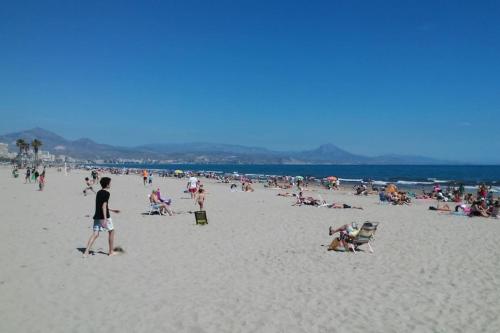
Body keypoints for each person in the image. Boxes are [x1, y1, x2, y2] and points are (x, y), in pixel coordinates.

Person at [83, 177, 120, 258]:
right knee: (111, 231)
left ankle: (86, 252)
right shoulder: (107, 193)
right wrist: (105, 219)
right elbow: (103, 206)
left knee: (95, 234)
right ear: (107, 184)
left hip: (97, 216)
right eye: (110, 183)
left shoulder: (99, 192)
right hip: (104, 216)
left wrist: (112, 210)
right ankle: (111, 252)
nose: (111, 184)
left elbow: (101, 205)